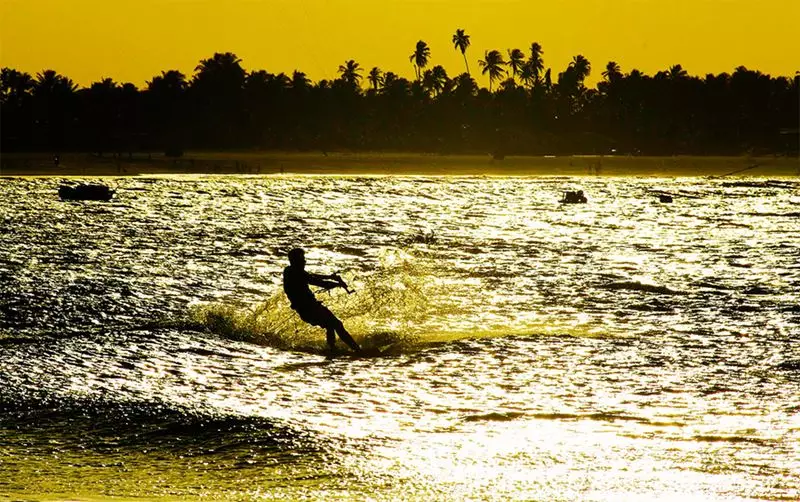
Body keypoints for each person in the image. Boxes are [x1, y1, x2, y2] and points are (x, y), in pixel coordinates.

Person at [283, 248, 362, 353]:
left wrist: (329, 277)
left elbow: (311, 276)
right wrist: (338, 284)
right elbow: (318, 282)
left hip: (309, 309)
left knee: (330, 325)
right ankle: (357, 350)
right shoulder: (296, 273)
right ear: (296, 261)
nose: (305, 262)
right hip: (309, 310)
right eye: (302, 259)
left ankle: (332, 348)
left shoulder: (289, 271)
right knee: (337, 324)